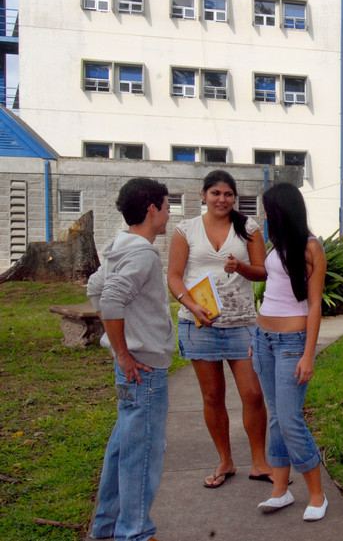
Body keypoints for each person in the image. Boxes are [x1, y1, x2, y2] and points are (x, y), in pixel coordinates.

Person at [167, 170, 273, 488]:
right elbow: (173, 276)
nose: (222, 199)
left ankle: (259, 462)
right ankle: (225, 461)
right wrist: (190, 304)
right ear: (203, 195)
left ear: (234, 198)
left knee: (253, 394)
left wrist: (240, 267)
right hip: (200, 324)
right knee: (213, 396)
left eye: (228, 194)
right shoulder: (185, 229)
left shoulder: (248, 228)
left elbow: (262, 272)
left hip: (241, 323)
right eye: (215, 193)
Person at [87, 178, 173, 541]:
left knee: (123, 448)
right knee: (142, 456)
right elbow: (109, 300)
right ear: (151, 210)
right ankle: (135, 533)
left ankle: (106, 528)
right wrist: (123, 352)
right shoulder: (141, 253)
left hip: (133, 368)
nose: (169, 214)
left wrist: (122, 341)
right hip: (143, 370)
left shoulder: (118, 248)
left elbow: (95, 287)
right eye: (168, 207)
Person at [252, 182, 328, 521]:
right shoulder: (276, 246)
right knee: (276, 418)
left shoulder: (311, 248)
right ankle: (280, 491)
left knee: (291, 420)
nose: (267, 218)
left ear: (284, 212)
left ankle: (317, 495)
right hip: (263, 339)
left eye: (270, 212)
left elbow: (314, 305)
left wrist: (308, 354)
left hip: (291, 344)